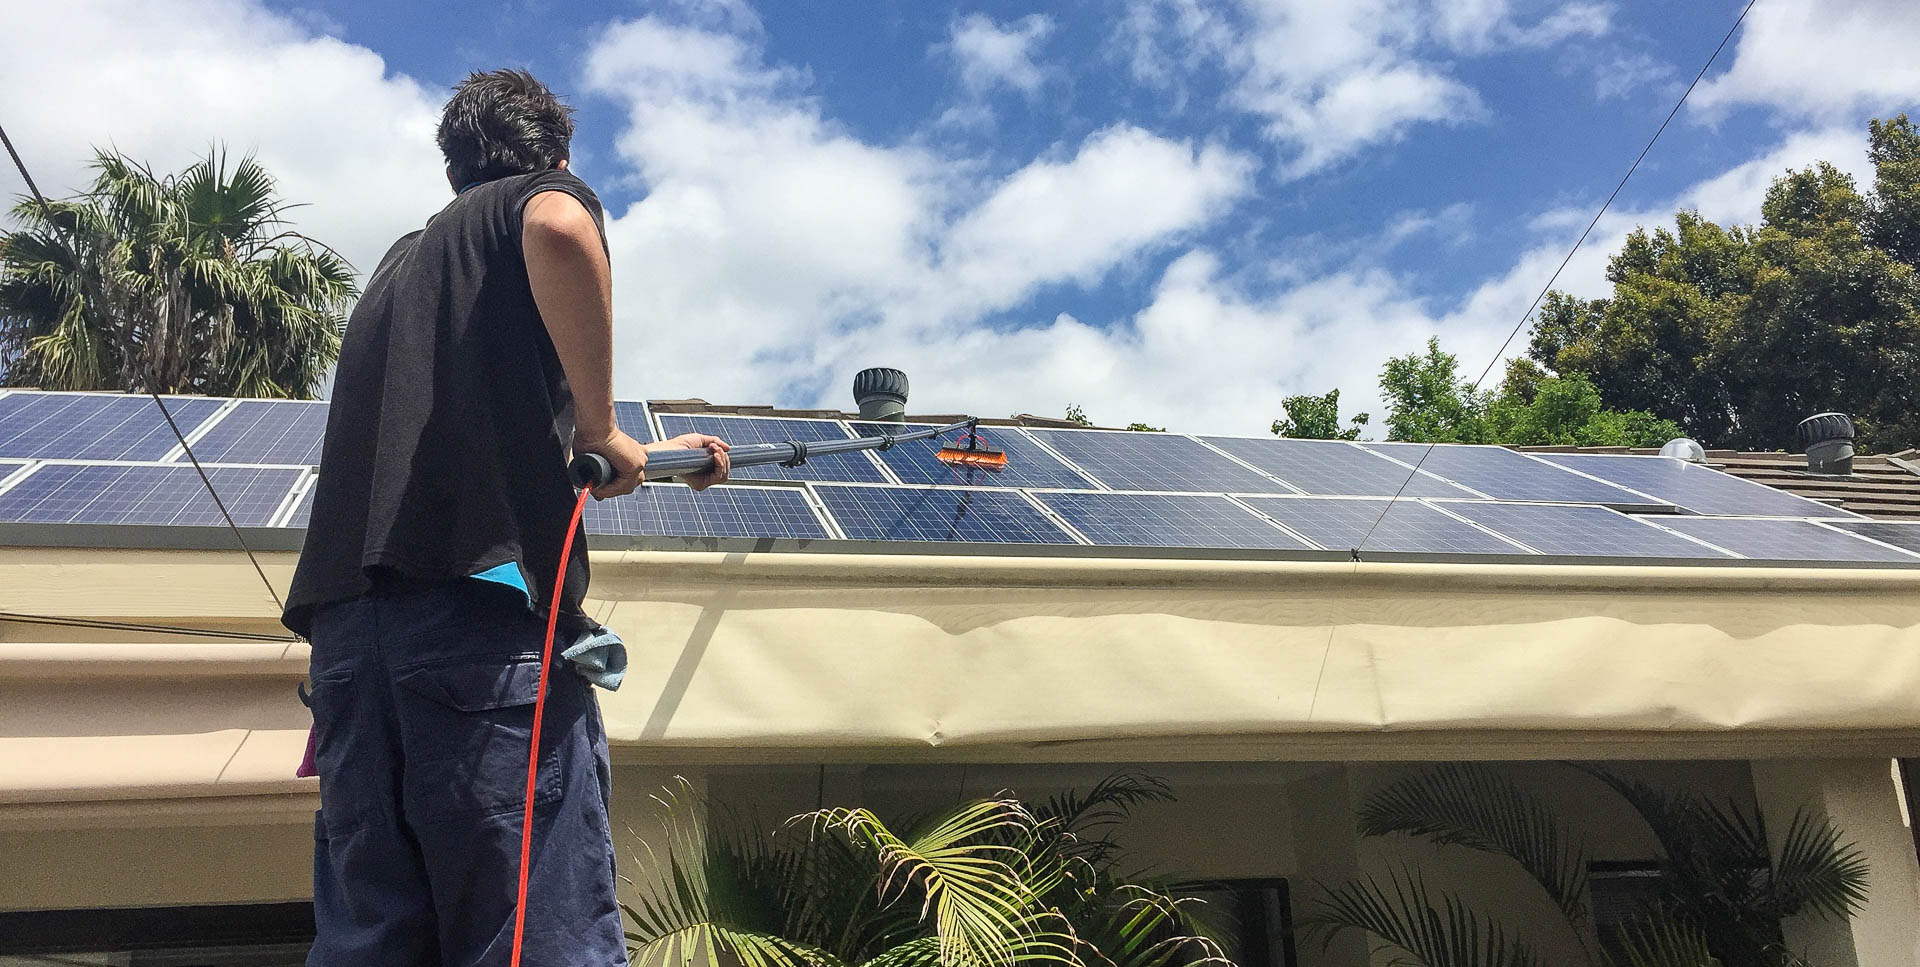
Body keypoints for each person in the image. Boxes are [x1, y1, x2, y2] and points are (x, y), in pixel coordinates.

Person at [283, 68, 729, 966]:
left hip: (349, 660)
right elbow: (559, 227)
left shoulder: (398, 268)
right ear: (554, 152)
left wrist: (636, 444)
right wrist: (604, 431)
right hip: (475, 643)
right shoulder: (533, 199)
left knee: (373, 940)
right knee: (530, 937)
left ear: (453, 169)